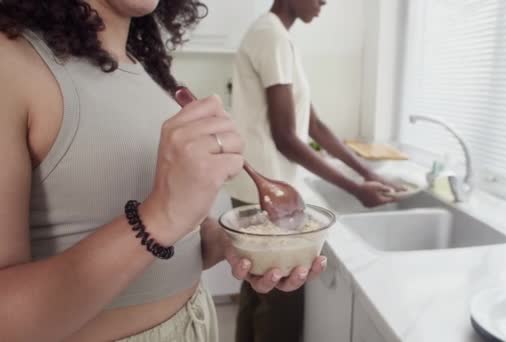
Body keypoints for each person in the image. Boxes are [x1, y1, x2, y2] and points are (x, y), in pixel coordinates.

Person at [0, 1, 326, 341]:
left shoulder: (146, 69)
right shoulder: (10, 62)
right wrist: (160, 217)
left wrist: (234, 241)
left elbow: (175, 240)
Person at [228, 1, 402, 341]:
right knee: (279, 305)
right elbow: (286, 137)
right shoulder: (270, 35)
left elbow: (315, 125)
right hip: (268, 195)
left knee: (258, 294)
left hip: (258, 189)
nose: (324, 2)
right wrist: (356, 189)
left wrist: (368, 173)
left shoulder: (277, 36)